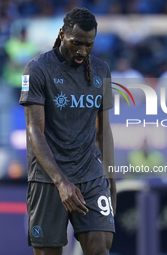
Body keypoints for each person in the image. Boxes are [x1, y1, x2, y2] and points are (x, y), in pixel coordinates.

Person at [19, 8, 116, 255]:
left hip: (90, 175)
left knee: (100, 249)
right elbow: (34, 131)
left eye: (89, 45)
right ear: (62, 34)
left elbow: (103, 132)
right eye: (76, 43)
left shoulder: (101, 71)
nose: (82, 51)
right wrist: (61, 182)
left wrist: (111, 180)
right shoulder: (37, 70)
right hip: (49, 177)